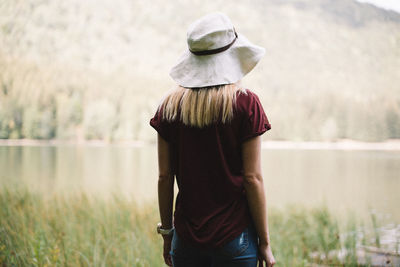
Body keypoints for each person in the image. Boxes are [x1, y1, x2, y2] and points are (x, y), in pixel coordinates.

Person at [150, 12, 276, 267]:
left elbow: (165, 177)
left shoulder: (169, 108)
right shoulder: (246, 104)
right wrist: (264, 242)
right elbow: (253, 179)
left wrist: (167, 235)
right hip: (235, 241)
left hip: (186, 241)